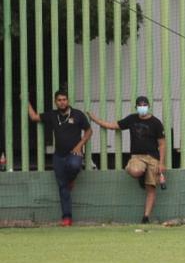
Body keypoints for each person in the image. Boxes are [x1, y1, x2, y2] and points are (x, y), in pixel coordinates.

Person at [88, 96, 166, 224]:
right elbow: (113, 125)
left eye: (144, 105)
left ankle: (146, 217)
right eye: (140, 105)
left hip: (153, 158)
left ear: (148, 106)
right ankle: (142, 174)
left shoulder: (156, 123)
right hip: (137, 156)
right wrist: (95, 119)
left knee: (151, 189)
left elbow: (162, 144)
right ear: (136, 107)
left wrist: (161, 163)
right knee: (135, 171)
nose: (142, 107)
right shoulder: (132, 119)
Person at [27, 91, 92, 226]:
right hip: (59, 156)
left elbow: (89, 130)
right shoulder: (52, 115)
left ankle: (71, 179)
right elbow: (34, 117)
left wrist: (79, 146)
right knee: (63, 187)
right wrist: (26, 101)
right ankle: (67, 218)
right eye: (59, 100)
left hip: (74, 154)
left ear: (68, 101)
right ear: (55, 102)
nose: (62, 102)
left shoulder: (78, 114)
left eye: (64, 99)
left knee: (74, 166)